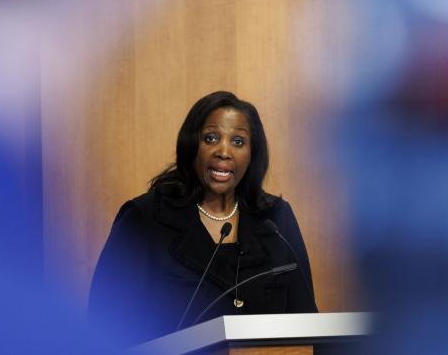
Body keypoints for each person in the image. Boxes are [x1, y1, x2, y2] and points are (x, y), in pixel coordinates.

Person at [89, 91, 317, 349]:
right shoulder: (144, 219)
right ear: (192, 146)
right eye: (211, 138)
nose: (223, 151)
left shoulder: (276, 220)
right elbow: (104, 330)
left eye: (238, 142)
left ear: (253, 154)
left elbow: (308, 325)